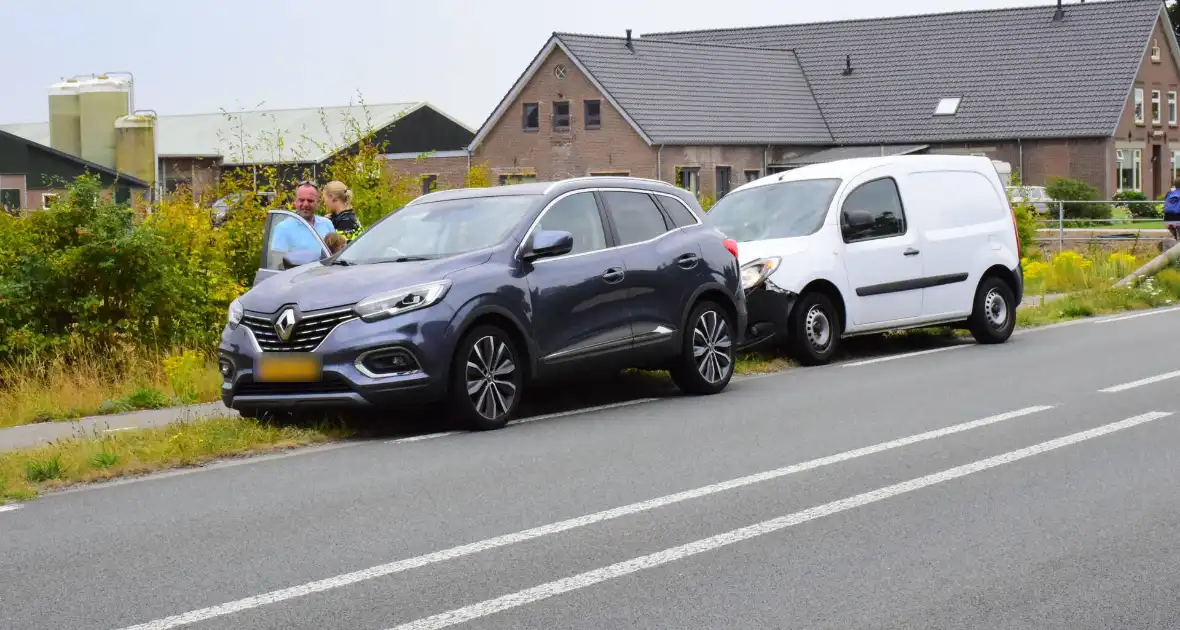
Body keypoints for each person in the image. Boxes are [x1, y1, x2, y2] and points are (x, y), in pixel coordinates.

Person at [269, 181, 334, 262]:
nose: (305, 204)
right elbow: (278, 264)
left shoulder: (327, 224)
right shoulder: (283, 228)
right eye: (301, 200)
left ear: (318, 203)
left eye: (310, 201)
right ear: (295, 202)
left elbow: (335, 256)